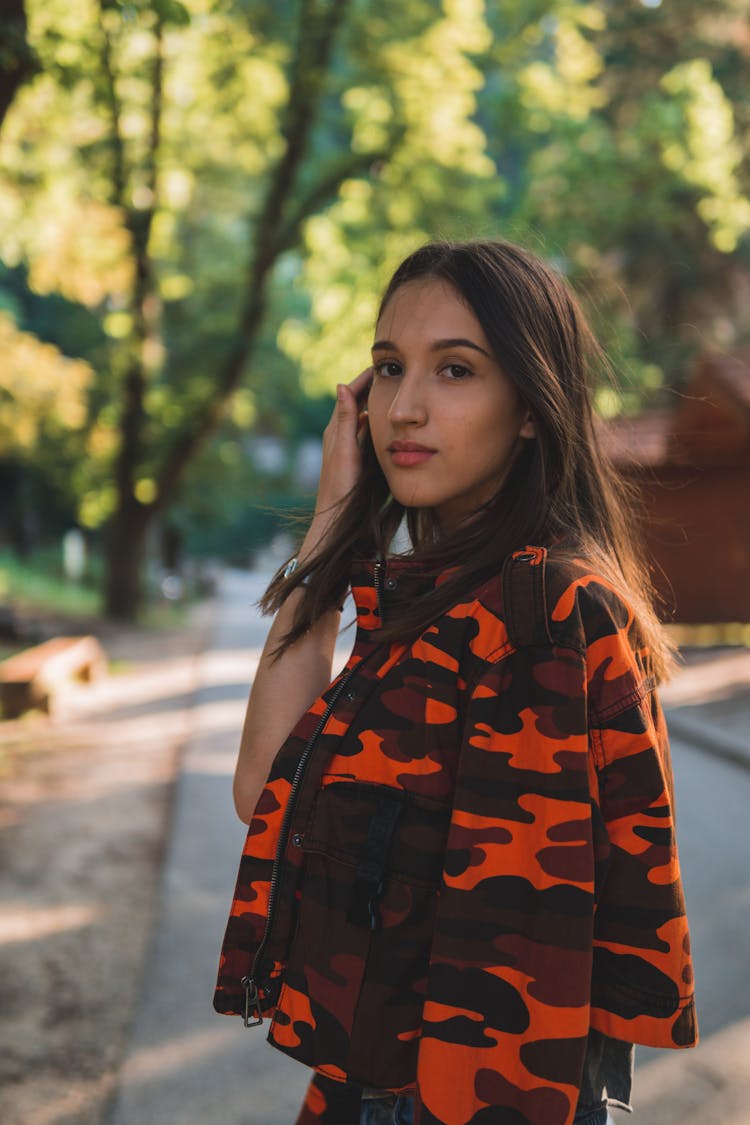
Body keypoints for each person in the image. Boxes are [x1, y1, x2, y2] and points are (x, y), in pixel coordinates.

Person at [214, 240, 698, 1125]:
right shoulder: (443, 604)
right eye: (389, 367)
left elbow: (518, 970)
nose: (405, 407)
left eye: (456, 370)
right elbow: (264, 787)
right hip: (371, 1085)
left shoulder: (538, 618)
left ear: (528, 406)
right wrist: (331, 523)